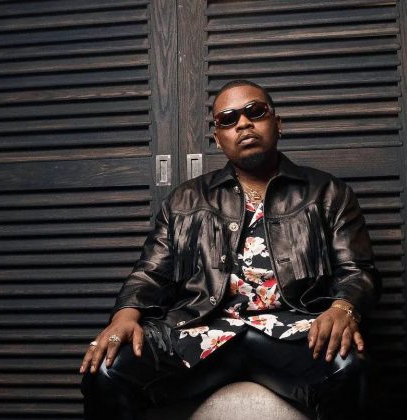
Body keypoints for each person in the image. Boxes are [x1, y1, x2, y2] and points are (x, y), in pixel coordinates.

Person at [80, 80, 380, 420]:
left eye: (255, 112)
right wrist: (125, 315)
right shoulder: (185, 200)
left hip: (294, 332)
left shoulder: (328, 193)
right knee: (106, 369)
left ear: (277, 123)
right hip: (200, 330)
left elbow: (358, 271)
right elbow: (150, 272)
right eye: (228, 118)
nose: (243, 123)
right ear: (218, 138)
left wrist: (343, 308)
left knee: (350, 367)